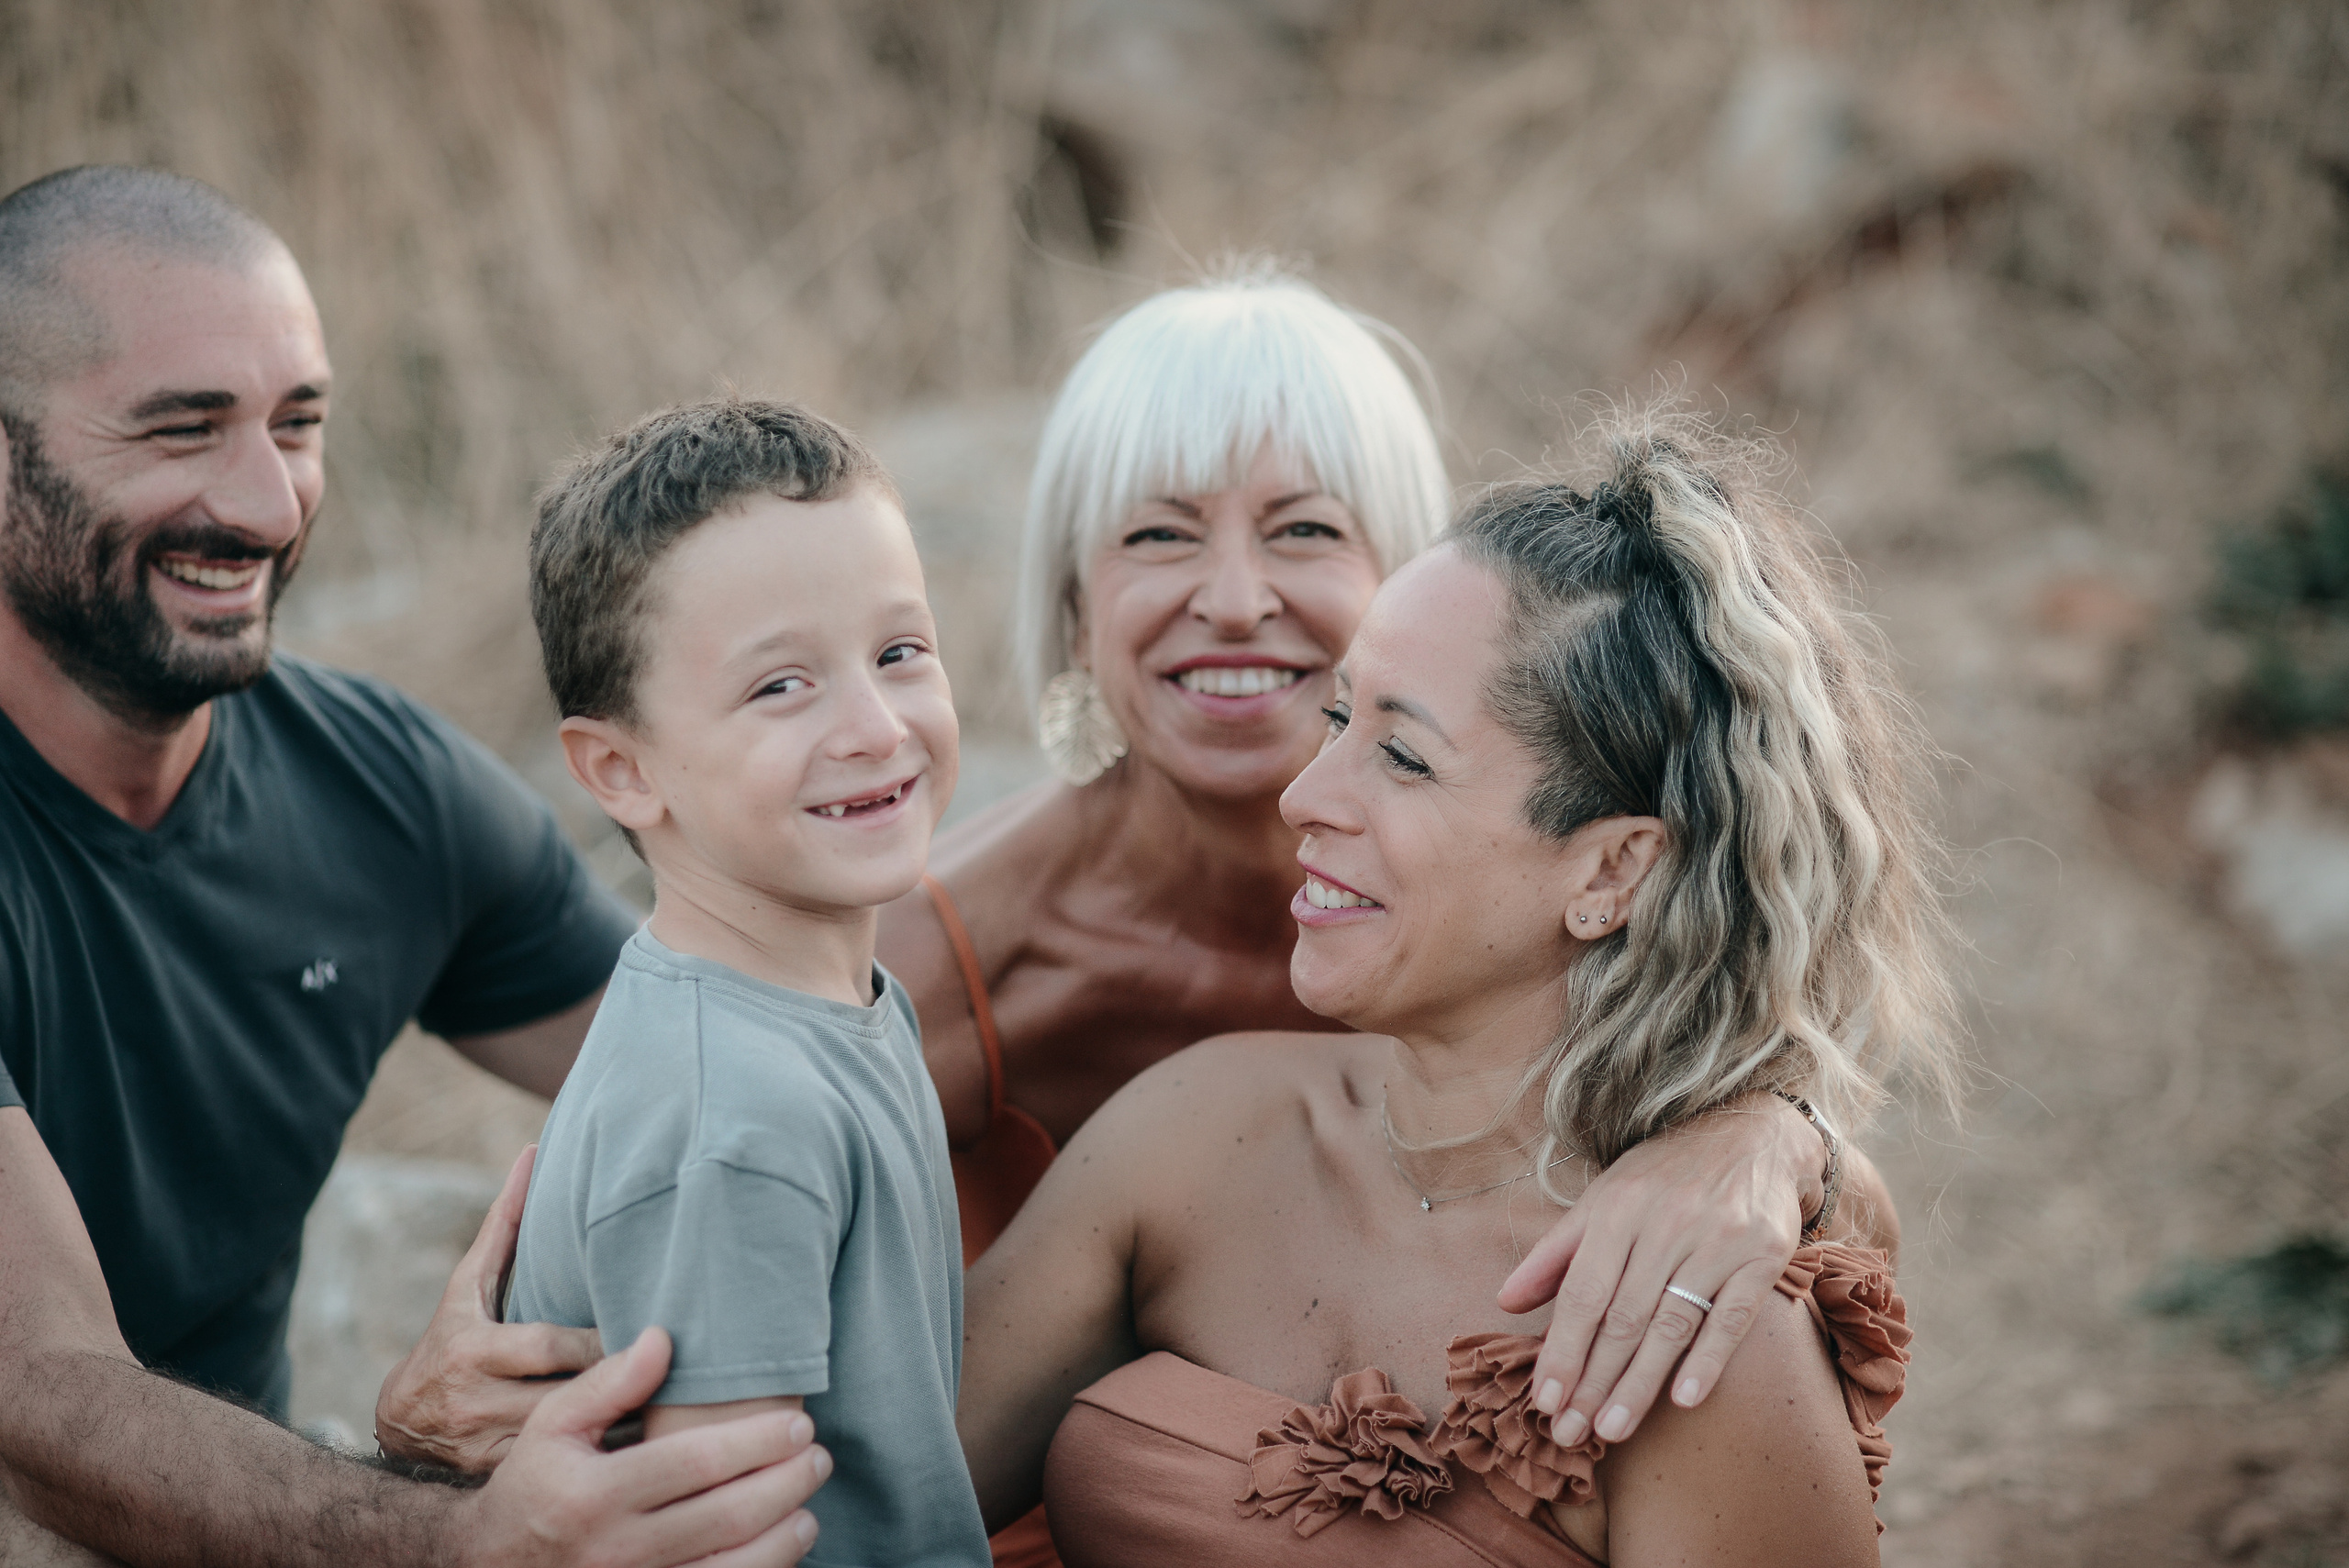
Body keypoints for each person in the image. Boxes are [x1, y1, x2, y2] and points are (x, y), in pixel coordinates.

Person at [869, 267, 1891, 1562]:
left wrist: (1773, 1137)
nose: (1234, 599)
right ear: (1071, 600)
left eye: (1398, 749)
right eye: (1158, 534)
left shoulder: (1693, 1304)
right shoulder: (1142, 1094)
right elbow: (855, 1489)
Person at [0, 164, 823, 1566]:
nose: (268, 504)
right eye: (182, 429)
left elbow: (730, 1072)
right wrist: (455, 1533)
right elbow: (38, 1398)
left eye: (298, 425)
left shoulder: (378, 790)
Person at [508, 399, 989, 1567]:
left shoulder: (828, 1004)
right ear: (620, 768)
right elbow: (720, 1536)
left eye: (899, 653)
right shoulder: (738, 1114)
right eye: (781, 685)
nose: (874, 726)